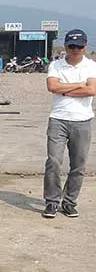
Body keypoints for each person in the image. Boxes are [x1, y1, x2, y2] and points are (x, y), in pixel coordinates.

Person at [42, 29, 96, 218]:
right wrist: (80, 85)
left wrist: (64, 90)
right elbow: (52, 87)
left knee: (78, 165)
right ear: (65, 46)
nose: (75, 50)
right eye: (72, 46)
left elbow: (92, 90)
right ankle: (51, 201)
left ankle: (69, 202)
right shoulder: (56, 65)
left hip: (82, 120)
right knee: (53, 161)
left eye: (79, 46)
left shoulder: (91, 66)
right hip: (58, 119)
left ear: (85, 47)